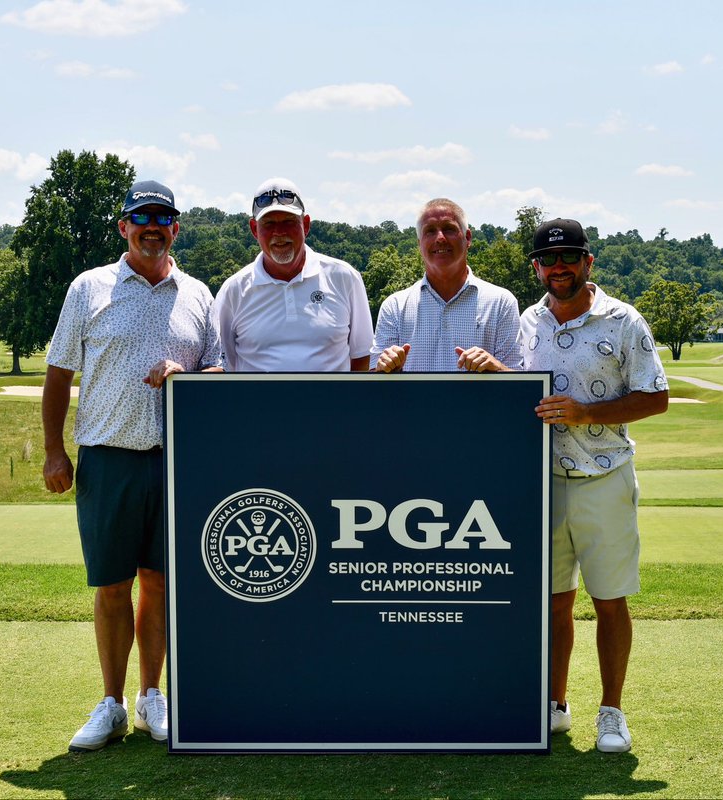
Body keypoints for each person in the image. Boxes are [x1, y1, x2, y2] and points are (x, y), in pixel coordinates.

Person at [41, 179, 224, 752]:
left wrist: (185, 375)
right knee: (113, 585)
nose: (153, 226)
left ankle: (152, 698)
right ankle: (112, 703)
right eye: (141, 217)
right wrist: (54, 450)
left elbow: (219, 369)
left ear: (175, 228)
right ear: (124, 227)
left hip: (174, 461)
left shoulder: (198, 293)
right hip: (108, 458)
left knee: (161, 583)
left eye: (164, 218)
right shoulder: (89, 288)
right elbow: (58, 372)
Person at [520, 218, 668, 752]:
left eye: (569, 258)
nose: (559, 268)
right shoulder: (527, 320)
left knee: (609, 600)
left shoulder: (623, 320)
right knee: (556, 602)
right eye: (548, 260)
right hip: (545, 483)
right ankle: (555, 705)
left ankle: (612, 712)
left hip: (604, 475)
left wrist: (585, 413)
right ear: (536, 267)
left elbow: (655, 397)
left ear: (588, 262)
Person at [213, 178, 373, 372]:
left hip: (333, 403)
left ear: (305, 225)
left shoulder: (345, 277)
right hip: (256, 403)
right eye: (269, 223)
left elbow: (362, 357)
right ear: (254, 229)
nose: (279, 232)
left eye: (289, 222)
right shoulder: (233, 290)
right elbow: (223, 368)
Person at [371, 198, 522, 373]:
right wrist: (384, 369)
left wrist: (498, 369)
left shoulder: (501, 303)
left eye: (449, 229)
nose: (440, 238)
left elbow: (517, 383)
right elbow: (375, 384)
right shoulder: (395, 306)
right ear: (419, 244)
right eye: (430, 231)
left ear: (468, 238)